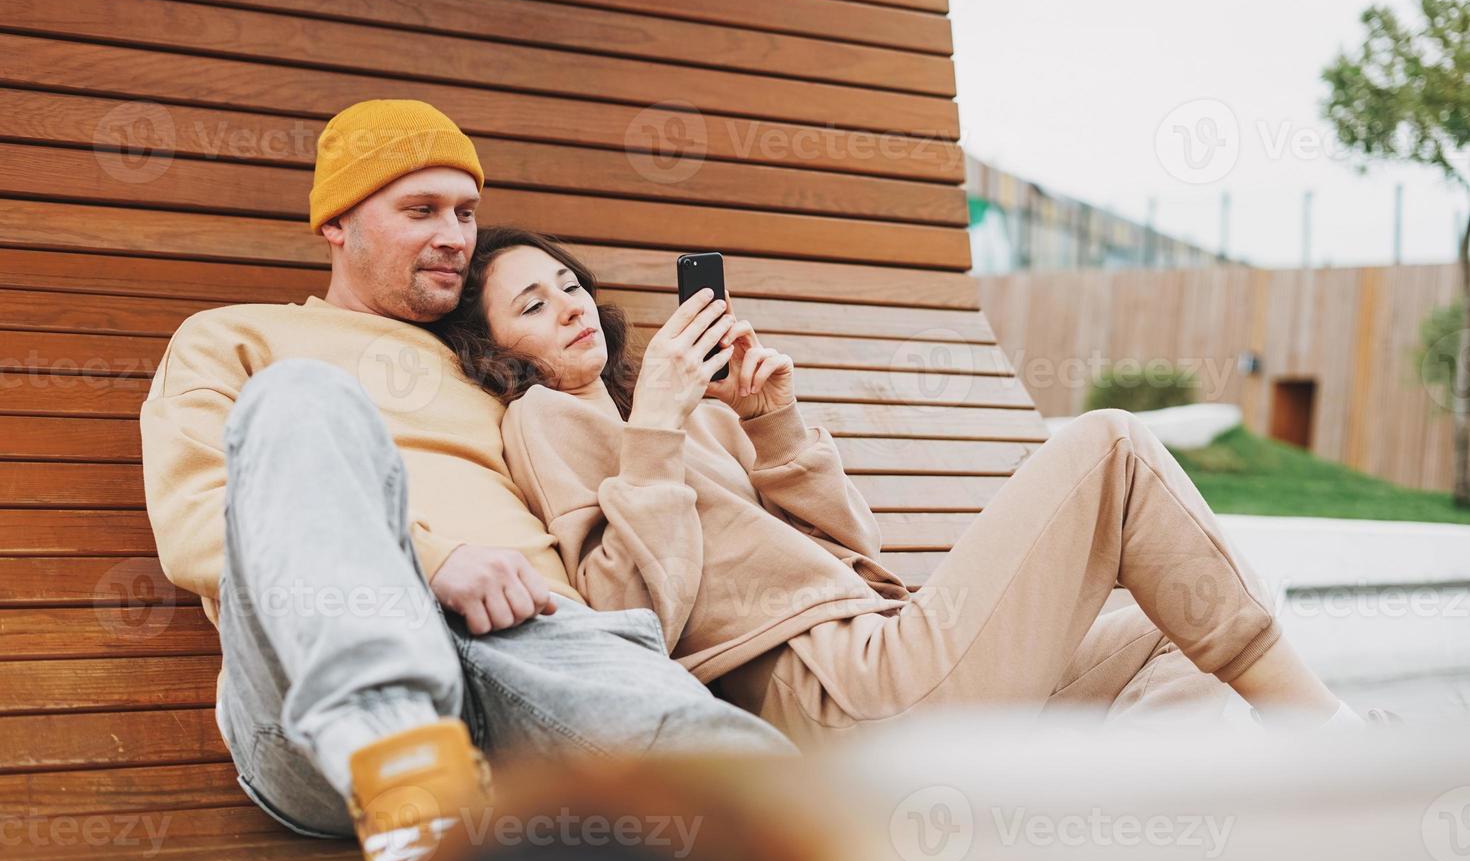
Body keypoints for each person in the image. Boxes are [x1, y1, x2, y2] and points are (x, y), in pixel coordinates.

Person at [139, 100, 791, 861]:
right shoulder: (235, 338)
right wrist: (432, 561)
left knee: (738, 788)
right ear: (336, 225)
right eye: (421, 210)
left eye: (465, 211)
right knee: (302, 399)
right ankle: (408, 776)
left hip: (541, 648)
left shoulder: (500, 368)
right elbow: (199, 525)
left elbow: (608, 549)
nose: (455, 234)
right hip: (321, 703)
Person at [432, 226, 1368, 753]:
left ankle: (1135, 834)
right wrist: (659, 429)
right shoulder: (551, 423)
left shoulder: (687, 411)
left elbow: (856, 561)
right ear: (494, 347)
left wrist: (771, 421)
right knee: (1109, 448)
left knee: (1176, 628)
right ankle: (1331, 740)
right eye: (532, 304)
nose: (568, 306)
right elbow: (634, 616)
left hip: (885, 644)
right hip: (836, 703)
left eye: (569, 284)